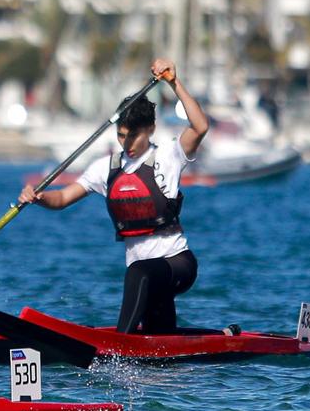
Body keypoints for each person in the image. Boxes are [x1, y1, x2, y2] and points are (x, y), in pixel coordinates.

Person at [17, 59, 211, 334]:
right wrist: (38, 197)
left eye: (133, 137)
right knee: (159, 335)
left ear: (150, 130)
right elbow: (61, 199)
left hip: (177, 264)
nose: (127, 144)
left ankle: (119, 346)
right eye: (121, 136)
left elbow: (200, 126)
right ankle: (223, 338)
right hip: (146, 277)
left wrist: (173, 82)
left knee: (140, 273)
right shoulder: (105, 169)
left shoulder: (170, 155)